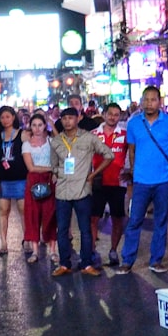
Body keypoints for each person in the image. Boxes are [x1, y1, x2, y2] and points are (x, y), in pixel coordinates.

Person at [116, 86, 168, 275]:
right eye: (146, 99)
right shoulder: (134, 123)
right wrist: (134, 172)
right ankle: (127, 260)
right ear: (142, 101)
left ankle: (156, 260)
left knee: (161, 220)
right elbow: (132, 150)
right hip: (141, 180)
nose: (149, 103)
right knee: (135, 220)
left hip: (164, 179)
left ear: (159, 101)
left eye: (153, 99)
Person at [49, 107, 114, 277]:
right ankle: (64, 264)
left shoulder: (88, 138)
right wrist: (59, 173)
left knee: (85, 229)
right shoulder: (56, 142)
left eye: (71, 118)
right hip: (62, 191)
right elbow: (53, 165)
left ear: (77, 119)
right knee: (62, 230)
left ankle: (87, 264)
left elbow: (109, 155)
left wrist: (93, 174)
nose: (67, 121)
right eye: (64, 118)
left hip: (82, 191)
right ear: (61, 121)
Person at [90, 102, 130, 266]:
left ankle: (113, 250)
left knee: (117, 219)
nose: (113, 117)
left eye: (116, 114)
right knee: (93, 218)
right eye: (110, 114)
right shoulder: (93, 134)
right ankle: (92, 251)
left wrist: (130, 172)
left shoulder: (125, 134)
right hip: (98, 182)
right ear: (104, 114)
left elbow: (132, 153)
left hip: (118, 182)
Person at [0, 106, 27, 255]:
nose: (5, 120)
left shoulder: (22, 134)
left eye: (8, 117)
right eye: (2, 117)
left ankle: (27, 239)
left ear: (13, 117)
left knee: (23, 211)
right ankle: (4, 242)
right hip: (4, 179)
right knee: (3, 211)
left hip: (20, 177)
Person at [22, 112, 57, 264]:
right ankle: (35, 251)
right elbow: (31, 167)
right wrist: (51, 169)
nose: (37, 128)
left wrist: (52, 123)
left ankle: (53, 251)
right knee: (33, 215)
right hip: (34, 181)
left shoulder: (51, 141)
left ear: (45, 126)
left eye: (40, 125)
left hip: (50, 181)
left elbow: (62, 142)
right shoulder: (27, 144)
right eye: (34, 125)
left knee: (51, 215)